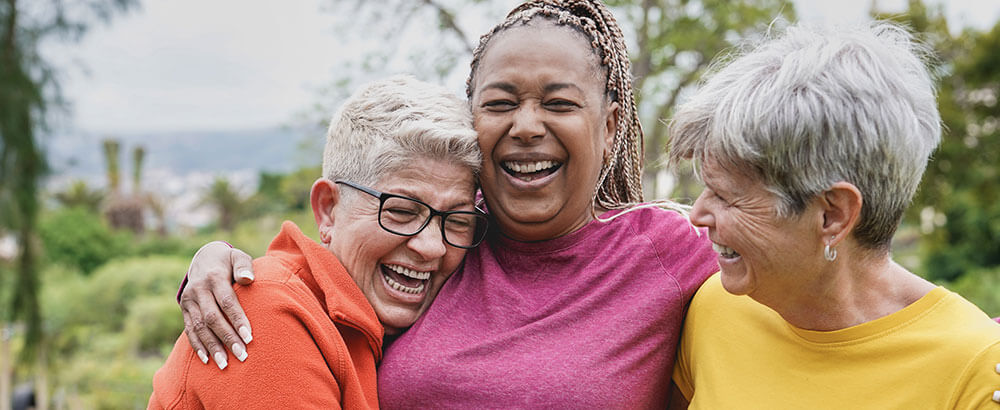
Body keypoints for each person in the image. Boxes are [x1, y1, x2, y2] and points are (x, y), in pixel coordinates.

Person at [177, 1, 718, 407]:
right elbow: (329, 264)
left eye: (559, 103)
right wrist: (222, 263)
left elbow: (786, 266)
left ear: (609, 126)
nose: (527, 126)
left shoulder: (668, 249)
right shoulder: (451, 242)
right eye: (500, 103)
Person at [666, 22, 1000, 408]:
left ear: (832, 216)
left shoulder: (976, 370)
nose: (698, 213)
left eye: (727, 197)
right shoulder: (715, 309)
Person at [148, 75, 486, 408]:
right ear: (328, 209)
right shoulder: (268, 317)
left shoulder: (372, 320)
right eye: (400, 211)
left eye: (456, 220)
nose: (432, 247)